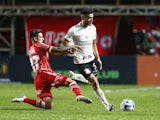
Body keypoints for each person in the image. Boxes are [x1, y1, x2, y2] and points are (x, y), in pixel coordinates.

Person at [11, 29, 92, 109]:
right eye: (41, 37)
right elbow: (58, 49)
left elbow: (55, 53)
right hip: (44, 73)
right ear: (35, 39)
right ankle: (79, 95)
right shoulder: (39, 45)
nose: (43, 39)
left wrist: (67, 52)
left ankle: (24, 99)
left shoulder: (32, 48)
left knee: (48, 105)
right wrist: (70, 47)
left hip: (38, 78)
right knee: (70, 82)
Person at [63, 8, 115, 111]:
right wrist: (71, 49)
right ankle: (108, 106)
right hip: (80, 61)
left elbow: (94, 43)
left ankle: (75, 76)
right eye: (89, 18)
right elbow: (65, 41)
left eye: (92, 18)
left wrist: (98, 58)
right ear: (83, 17)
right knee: (94, 82)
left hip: (91, 59)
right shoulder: (74, 30)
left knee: (91, 81)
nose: (91, 20)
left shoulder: (93, 28)